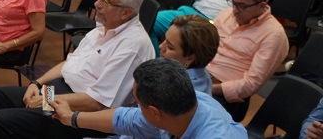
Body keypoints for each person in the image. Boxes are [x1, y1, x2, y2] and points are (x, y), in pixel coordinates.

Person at [0, 0, 155, 139]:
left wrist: (45, 100)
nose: (97, 4)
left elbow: (96, 103)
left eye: (106, 1)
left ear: (126, 12)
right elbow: (69, 64)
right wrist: (37, 84)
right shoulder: (105, 27)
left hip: (81, 113)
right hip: (60, 91)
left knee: (2, 120)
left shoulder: (132, 46)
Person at [49, 58, 246, 139]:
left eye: (137, 104)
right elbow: (126, 119)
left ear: (154, 112)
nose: (135, 108)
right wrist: (71, 117)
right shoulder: (189, 103)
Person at [207, 0, 289, 122]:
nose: (235, 10)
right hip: (203, 76)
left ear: (262, 5)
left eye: (242, 5)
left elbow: (251, 84)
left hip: (226, 97)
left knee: (181, 113)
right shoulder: (226, 14)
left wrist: (208, 88)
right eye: (233, 2)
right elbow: (205, 48)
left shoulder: (273, 35)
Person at [159, 15, 220, 94]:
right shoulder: (201, 73)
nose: (160, 46)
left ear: (190, 58)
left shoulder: (176, 91)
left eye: (170, 47)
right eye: (164, 39)